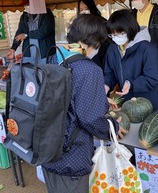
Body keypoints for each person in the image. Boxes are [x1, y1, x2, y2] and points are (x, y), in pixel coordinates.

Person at [41, 16, 126, 193]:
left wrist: (100, 100)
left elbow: (67, 99)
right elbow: (91, 119)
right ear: (93, 41)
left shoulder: (53, 59)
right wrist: (113, 128)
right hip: (71, 156)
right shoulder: (88, 68)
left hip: (48, 149)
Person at [104, 9, 158, 111]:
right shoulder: (112, 49)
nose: (116, 37)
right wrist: (106, 85)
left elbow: (151, 78)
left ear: (130, 29)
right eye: (113, 35)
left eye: (120, 33)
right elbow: (110, 73)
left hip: (148, 102)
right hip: (127, 101)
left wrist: (131, 84)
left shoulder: (147, 49)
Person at [6, 0, 56, 64]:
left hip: (45, 52)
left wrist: (26, 35)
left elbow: (44, 31)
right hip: (29, 52)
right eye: (25, 5)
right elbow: (20, 32)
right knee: (29, 72)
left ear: (35, 3)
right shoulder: (25, 15)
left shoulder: (47, 14)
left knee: (45, 73)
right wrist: (13, 48)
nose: (26, 6)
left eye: (28, 4)